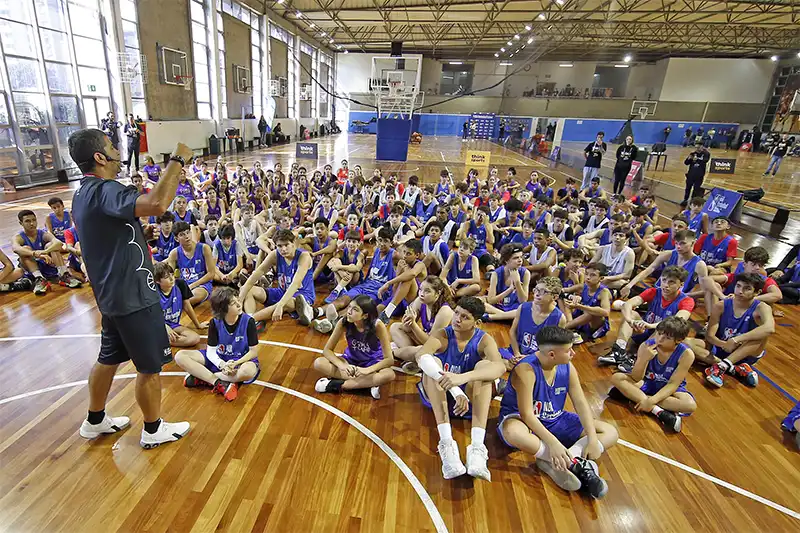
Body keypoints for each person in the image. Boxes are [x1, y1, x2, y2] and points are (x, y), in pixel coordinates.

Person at [69, 128, 192, 448]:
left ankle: (94, 420)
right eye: (111, 146)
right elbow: (157, 202)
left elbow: (110, 232)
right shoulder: (105, 189)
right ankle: (153, 429)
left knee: (107, 358)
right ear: (100, 157)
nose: (117, 149)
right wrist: (178, 160)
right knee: (150, 367)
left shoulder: (82, 193)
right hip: (133, 295)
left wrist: (135, 233)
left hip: (110, 296)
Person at [498, 326, 618, 498]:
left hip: (555, 419)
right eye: (569, 350)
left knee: (610, 432)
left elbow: (581, 403)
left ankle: (559, 461)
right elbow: (526, 414)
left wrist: (592, 438)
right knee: (513, 432)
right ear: (552, 354)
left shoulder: (568, 366)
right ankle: (573, 463)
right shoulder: (526, 370)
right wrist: (554, 443)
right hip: (522, 421)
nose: (573, 354)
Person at [412, 296, 506, 480]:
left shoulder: (484, 340)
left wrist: (462, 378)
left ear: (477, 323)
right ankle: (446, 443)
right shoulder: (442, 334)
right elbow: (421, 356)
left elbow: (500, 367)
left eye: (464, 317)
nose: (457, 319)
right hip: (442, 395)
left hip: (469, 397)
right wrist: (454, 388)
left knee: (484, 370)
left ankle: (477, 449)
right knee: (433, 364)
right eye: (456, 313)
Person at [609, 316, 697, 433]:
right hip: (647, 382)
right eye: (659, 334)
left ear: (679, 340)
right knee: (617, 377)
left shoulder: (686, 354)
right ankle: (658, 411)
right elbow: (636, 377)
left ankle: (634, 397)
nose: (660, 339)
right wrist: (643, 359)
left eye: (667, 337)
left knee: (690, 405)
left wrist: (650, 401)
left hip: (669, 389)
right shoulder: (646, 346)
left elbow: (673, 384)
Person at [599, 266, 694, 371]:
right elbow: (628, 304)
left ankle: (637, 359)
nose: (666, 285)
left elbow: (676, 322)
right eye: (664, 280)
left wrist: (650, 325)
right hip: (644, 330)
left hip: (663, 338)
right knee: (633, 314)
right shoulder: (654, 291)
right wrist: (630, 321)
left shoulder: (687, 301)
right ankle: (618, 351)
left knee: (663, 330)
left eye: (671, 282)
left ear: (681, 285)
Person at [688, 273, 773, 388]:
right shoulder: (721, 306)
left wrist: (736, 340)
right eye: (738, 286)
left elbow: (770, 328)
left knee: (762, 334)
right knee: (685, 343)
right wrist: (724, 344)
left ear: (757, 293)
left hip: (746, 352)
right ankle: (733, 368)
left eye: (747, 288)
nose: (740, 291)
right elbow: (710, 336)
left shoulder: (762, 307)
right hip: (722, 347)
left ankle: (722, 366)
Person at [175, 287, 260, 402]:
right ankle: (219, 382)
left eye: (238, 300)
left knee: (248, 371)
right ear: (223, 308)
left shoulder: (249, 321)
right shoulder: (214, 323)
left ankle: (203, 377)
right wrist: (222, 365)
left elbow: (253, 352)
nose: (239, 304)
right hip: (219, 359)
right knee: (180, 356)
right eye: (233, 303)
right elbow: (210, 351)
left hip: (240, 360)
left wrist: (235, 363)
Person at [313, 295, 396, 398]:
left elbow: (389, 360)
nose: (349, 312)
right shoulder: (344, 322)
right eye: (349, 307)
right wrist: (342, 366)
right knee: (319, 363)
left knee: (389, 374)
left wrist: (367, 370)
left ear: (365, 315)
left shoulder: (377, 326)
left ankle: (339, 385)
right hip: (351, 361)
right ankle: (367, 384)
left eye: (355, 309)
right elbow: (327, 350)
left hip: (372, 363)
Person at [239, 229, 315, 328]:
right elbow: (256, 274)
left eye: (286, 245)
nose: (283, 249)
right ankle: (251, 318)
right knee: (248, 290)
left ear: (293, 243)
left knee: (286, 303)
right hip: (282, 291)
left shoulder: (304, 256)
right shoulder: (275, 255)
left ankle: (247, 322)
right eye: (279, 246)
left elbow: (296, 284)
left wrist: (280, 306)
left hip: (302, 296)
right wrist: (240, 299)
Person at [501, 276, 566, 371]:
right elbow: (512, 332)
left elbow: (553, 347)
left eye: (543, 291)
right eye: (536, 290)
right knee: (491, 359)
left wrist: (529, 359)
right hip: (517, 352)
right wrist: (517, 353)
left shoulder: (559, 318)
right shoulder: (523, 308)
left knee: (527, 370)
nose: (537, 294)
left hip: (539, 358)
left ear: (555, 297)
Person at [391, 275, 455, 370]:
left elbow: (430, 343)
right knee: (395, 327)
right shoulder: (420, 301)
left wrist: (413, 325)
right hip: (428, 342)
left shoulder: (445, 311)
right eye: (420, 289)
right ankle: (411, 358)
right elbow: (406, 329)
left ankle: (393, 353)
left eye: (427, 291)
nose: (421, 294)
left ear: (438, 293)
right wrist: (407, 321)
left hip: (444, 350)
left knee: (418, 350)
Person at [12, 210, 81, 294]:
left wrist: (45, 251)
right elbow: (15, 248)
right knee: (25, 249)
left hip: (46, 263)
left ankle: (63, 274)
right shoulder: (19, 237)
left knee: (51, 246)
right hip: (30, 267)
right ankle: (39, 279)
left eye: (34, 220)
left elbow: (58, 243)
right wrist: (35, 253)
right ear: (21, 223)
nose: (32, 223)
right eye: (27, 221)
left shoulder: (42, 233)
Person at [153, 262, 207, 347]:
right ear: (157, 281)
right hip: (157, 326)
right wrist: (164, 327)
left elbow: (187, 306)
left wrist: (198, 325)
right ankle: (157, 339)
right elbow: (151, 316)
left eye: (172, 274)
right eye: (167, 277)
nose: (172, 279)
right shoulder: (153, 292)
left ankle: (160, 341)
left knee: (194, 338)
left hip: (173, 324)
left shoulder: (180, 284)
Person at [165, 221, 216, 306]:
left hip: (201, 284)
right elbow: (170, 276)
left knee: (196, 296)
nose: (187, 236)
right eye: (182, 234)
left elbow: (211, 274)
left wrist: (192, 285)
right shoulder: (174, 253)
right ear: (176, 238)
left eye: (188, 233)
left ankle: (174, 304)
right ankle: (175, 303)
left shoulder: (204, 248)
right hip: (184, 285)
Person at [564, 263, 612, 345]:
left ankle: (563, 328)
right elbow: (564, 290)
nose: (588, 277)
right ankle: (571, 328)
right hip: (581, 318)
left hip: (595, 324)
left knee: (590, 314)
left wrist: (580, 306)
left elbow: (606, 312)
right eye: (586, 274)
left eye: (593, 275)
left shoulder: (604, 292)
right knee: (564, 301)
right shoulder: (584, 286)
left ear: (601, 278)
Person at [483, 244, 531, 321]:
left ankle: (493, 316)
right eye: (515, 258)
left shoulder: (525, 273)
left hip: (515, 308)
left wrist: (517, 282)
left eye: (521, 257)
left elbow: (523, 301)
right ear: (506, 260)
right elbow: (491, 300)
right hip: (499, 305)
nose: (520, 260)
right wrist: (510, 289)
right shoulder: (496, 274)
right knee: (479, 302)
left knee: (527, 309)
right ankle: (505, 316)